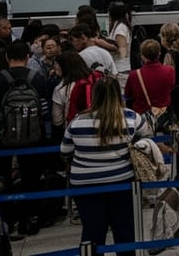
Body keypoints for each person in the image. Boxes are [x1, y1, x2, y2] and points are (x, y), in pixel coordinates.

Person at [61, 75, 151, 256]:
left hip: (85, 186)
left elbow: (65, 150)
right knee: (125, 231)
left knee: (92, 232)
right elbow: (147, 135)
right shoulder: (131, 118)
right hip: (122, 182)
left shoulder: (78, 122)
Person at [0, 41, 52, 236]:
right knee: (31, 178)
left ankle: (7, 220)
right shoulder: (38, 78)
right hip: (33, 137)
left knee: (2, 179)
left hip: (2, 139)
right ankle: (31, 218)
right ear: (27, 57)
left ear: (7, 58)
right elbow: (45, 110)